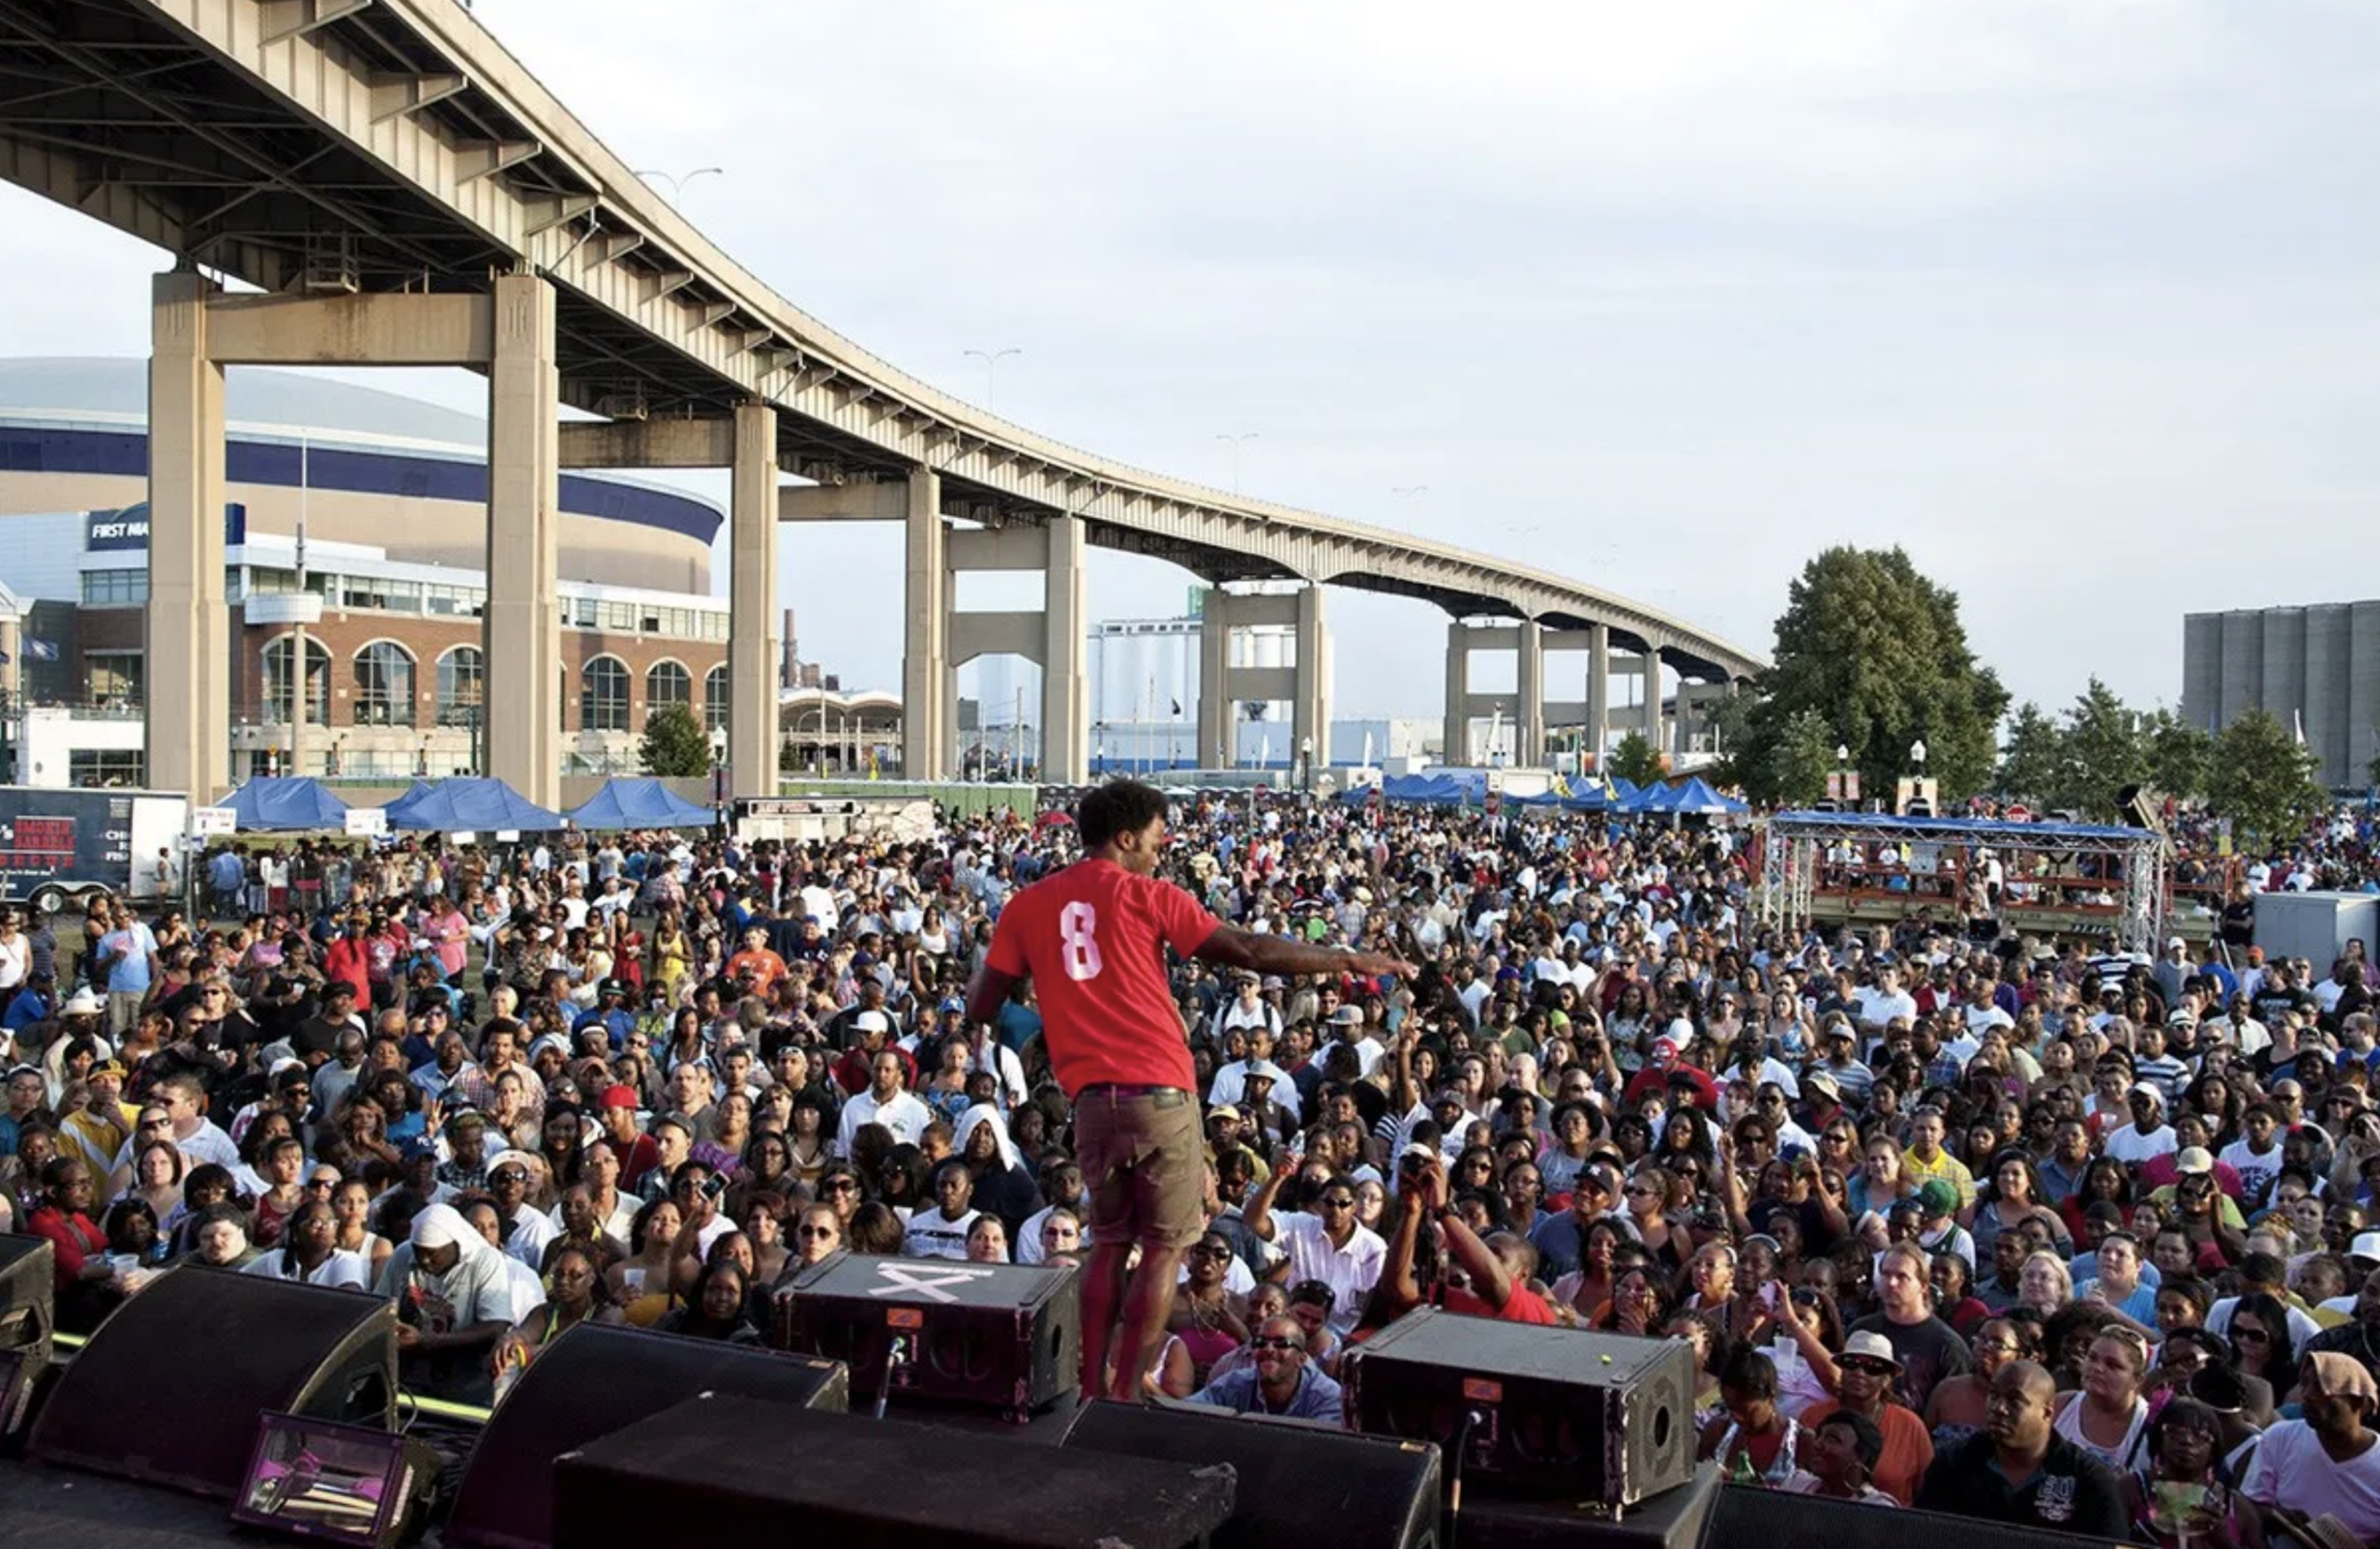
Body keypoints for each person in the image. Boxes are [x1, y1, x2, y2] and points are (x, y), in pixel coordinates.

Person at [967, 778, 1411, 1402]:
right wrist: (1348, 959)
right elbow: (1250, 950)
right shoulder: (1148, 895)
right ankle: (1124, 1394)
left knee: (1108, 1242)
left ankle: (1089, 1386)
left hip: (1091, 1100)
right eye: (1154, 840)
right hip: (1160, 1092)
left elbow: (984, 1002)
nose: (1159, 851)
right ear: (1125, 839)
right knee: (1162, 1247)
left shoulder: (1027, 905)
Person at [1915, 1361, 2127, 1536]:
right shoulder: (1953, 1462)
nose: (1999, 1408)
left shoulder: (2089, 1478)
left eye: (2014, 1401)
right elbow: (1923, 1535)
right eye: (1994, 1395)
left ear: (2047, 1412)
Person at [2241, 1352, 2380, 1544]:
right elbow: (2250, 1504)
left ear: (2361, 1404)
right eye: (2305, 1384)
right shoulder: (2280, 1437)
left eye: (2322, 1388)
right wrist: (2276, 1516)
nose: (2308, 1396)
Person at [1849, 1241, 1971, 1413]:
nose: (1891, 1283)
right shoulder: (1861, 1330)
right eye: (1885, 1274)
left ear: (1923, 1285)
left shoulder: (1948, 1345)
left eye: (1902, 1277)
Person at [1184, 1314, 1343, 1420]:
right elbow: (1186, 1412)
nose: (1268, 1350)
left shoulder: (1327, 1396)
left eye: (1282, 1343)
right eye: (1261, 1343)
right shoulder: (1234, 1384)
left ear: (1301, 1359)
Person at [1782, 1409, 1899, 1507]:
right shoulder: (1796, 1485)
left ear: (1862, 1454)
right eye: (1819, 1436)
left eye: (1832, 1439)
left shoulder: (1878, 1508)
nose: (1816, 1444)